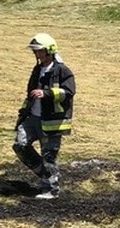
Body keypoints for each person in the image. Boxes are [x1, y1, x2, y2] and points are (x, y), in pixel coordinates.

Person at [13, 33, 76, 199]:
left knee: (49, 156)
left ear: (49, 50)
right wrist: (23, 114)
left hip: (52, 122)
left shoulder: (62, 70)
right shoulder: (37, 69)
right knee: (20, 145)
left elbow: (69, 92)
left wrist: (46, 93)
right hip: (33, 118)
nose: (36, 54)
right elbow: (30, 94)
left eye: (39, 50)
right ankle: (45, 174)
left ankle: (51, 190)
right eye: (35, 51)